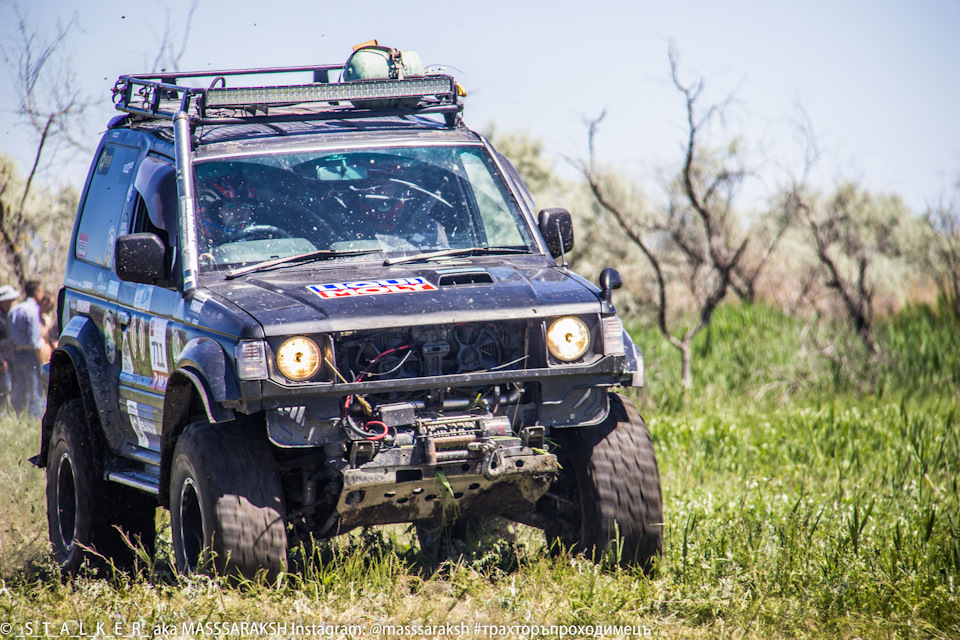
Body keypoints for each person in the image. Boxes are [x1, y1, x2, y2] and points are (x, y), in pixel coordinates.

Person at [8, 279, 52, 418]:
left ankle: (17, 415)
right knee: (35, 389)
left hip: (15, 354)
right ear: (37, 292)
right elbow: (34, 341)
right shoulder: (33, 310)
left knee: (19, 387)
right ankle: (35, 418)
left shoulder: (15, 309)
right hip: (29, 355)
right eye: (41, 291)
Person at [0, 285, 20, 408]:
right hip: (2, 362)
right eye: (12, 300)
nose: (15, 303)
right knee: (4, 388)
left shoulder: (7, 317)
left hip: (9, 359)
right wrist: (1, 362)